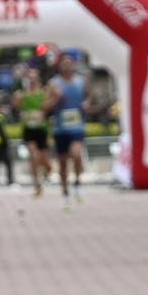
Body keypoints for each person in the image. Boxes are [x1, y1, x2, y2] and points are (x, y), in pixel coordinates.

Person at [47, 54, 91, 205]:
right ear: (59, 66)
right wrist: (55, 99)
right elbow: (46, 107)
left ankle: (77, 182)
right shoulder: (54, 83)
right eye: (63, 63)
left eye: (69, 63)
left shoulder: (81, 81)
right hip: (60, 128)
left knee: (77, 154)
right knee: (63, 163)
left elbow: (89, 97)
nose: (66, 65)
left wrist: (87, 103)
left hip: (77, 126)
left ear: (73, 65)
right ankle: (65, 192)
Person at [17, 66, 52, 199]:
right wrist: (25, 113)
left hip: (41, 129)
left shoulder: (44, 92)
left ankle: (47, 172)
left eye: (34, 75)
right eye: (29, 76)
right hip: (28, 129)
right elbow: (18, 107)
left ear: (38, 77)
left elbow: (49, 107)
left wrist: (42, 112)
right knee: (33, 155)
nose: (31, 78)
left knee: (45, 161)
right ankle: (37, 185)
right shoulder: (22, 94)